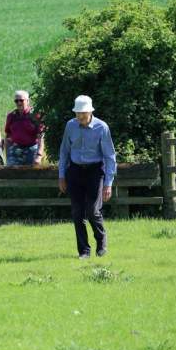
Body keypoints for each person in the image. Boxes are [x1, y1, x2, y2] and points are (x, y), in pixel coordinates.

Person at [59, 95, 117, 259]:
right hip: (75, 171)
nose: (81, 116)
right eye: (78, 113)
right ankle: (84, 251)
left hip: (95, 171)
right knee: (77, 212)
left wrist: (108, 183)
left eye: (83, 113)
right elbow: (64, 152)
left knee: (92, 211)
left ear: (90, 111)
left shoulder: (102, 127)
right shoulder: (70, 126)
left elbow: (110, 157)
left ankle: (101, 241)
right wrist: (62, 175)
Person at [4, 90, 45, 166]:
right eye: (16, 101)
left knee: (32, 175)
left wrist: (39, 156)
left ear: (27, 101)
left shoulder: (36, 115)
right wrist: (7, 155)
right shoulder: (11, 116)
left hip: (31, 150)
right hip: (14, 150)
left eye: (21, 100)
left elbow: (41, 137)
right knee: (11, 174)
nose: (19, 103)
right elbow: (7, 136)